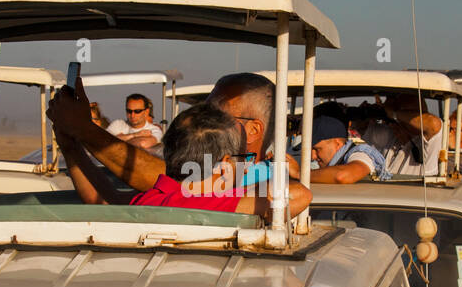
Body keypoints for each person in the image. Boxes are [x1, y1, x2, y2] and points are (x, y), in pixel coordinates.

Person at [47, 72, 307, 198]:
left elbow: (159, 178)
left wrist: (83, 129)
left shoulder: (262, 180)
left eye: (217, 115)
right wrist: (70, 144)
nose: (206, 121)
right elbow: (111, 203)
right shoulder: (216, 181)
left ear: (253, 130)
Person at [56, 98, 310, 217]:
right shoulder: (217, 204)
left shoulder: (149, 200)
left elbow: (103, 200)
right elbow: (301, 195)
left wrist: (70, 146)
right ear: (224, 165)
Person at [360, 92, 445, 177]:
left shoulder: (428, 145)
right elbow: (360, 127)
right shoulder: (391, 136)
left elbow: (434, 124)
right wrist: (365, 112)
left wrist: (394, 114)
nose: (391, 123)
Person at [309, 116, 390, 184]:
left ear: (337, 144)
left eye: (317, 149)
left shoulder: (360, 154)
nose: (312, 156)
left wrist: (301, 175)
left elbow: (342, 176)